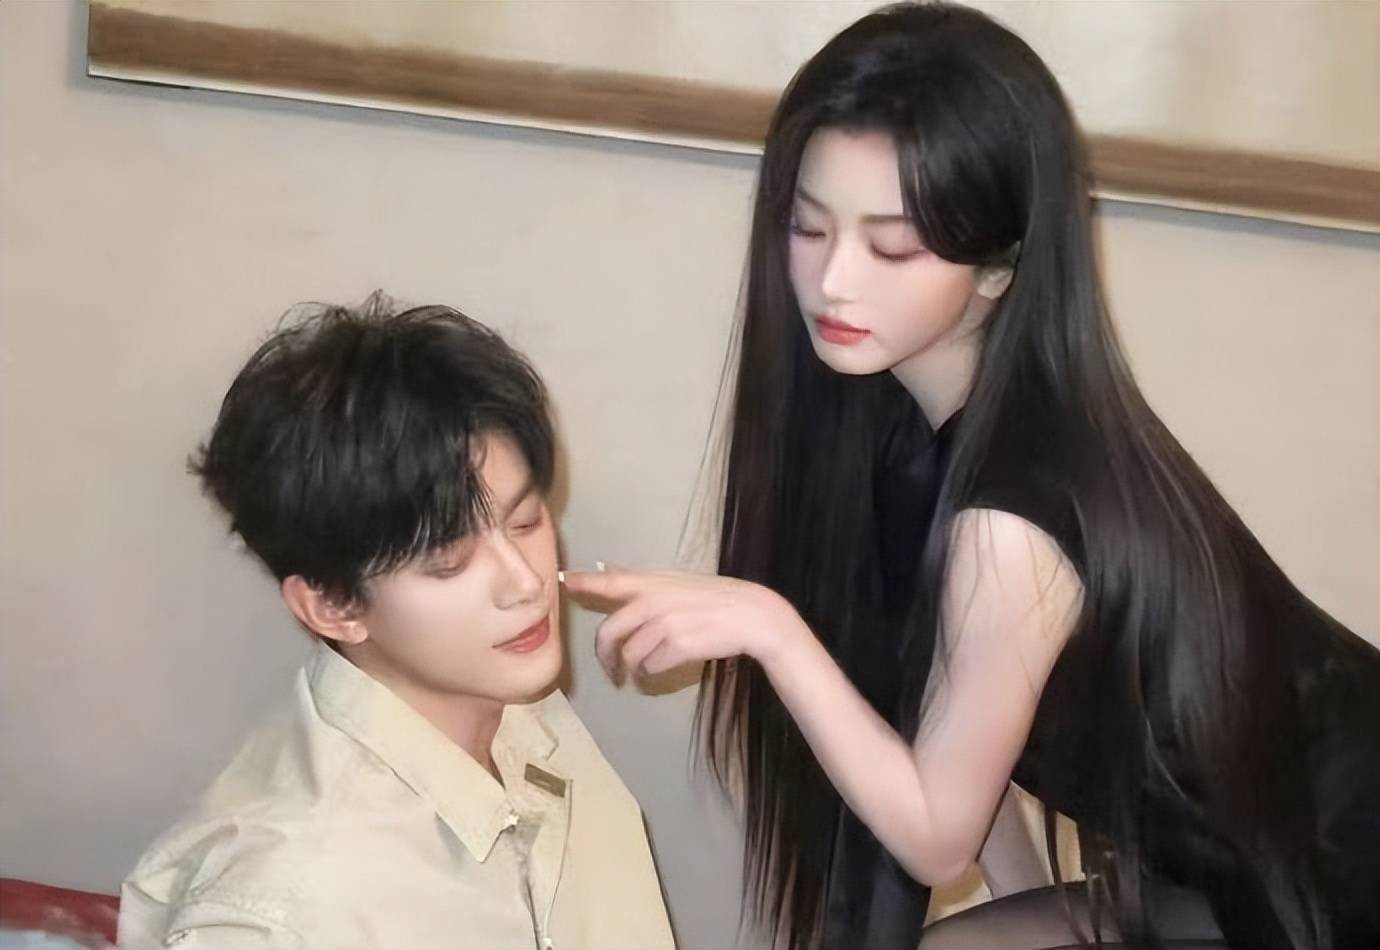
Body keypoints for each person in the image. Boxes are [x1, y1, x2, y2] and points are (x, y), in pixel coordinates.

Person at [561, 4, 1380, 949]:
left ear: (999, 268)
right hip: (1239, 871)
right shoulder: (924, 435)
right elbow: (953, 755)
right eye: (809, 227)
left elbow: (936, 838)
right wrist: (1019, 909)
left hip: (1335, 886)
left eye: (892, 247)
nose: (834, 281)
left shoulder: (1013, 517)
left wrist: (770, 628)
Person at [119, 295, 676, 950]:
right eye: (449, 562)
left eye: (526, 522)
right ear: (333, 605)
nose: (526, 584)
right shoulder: (278, 914)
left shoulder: (521, 710)